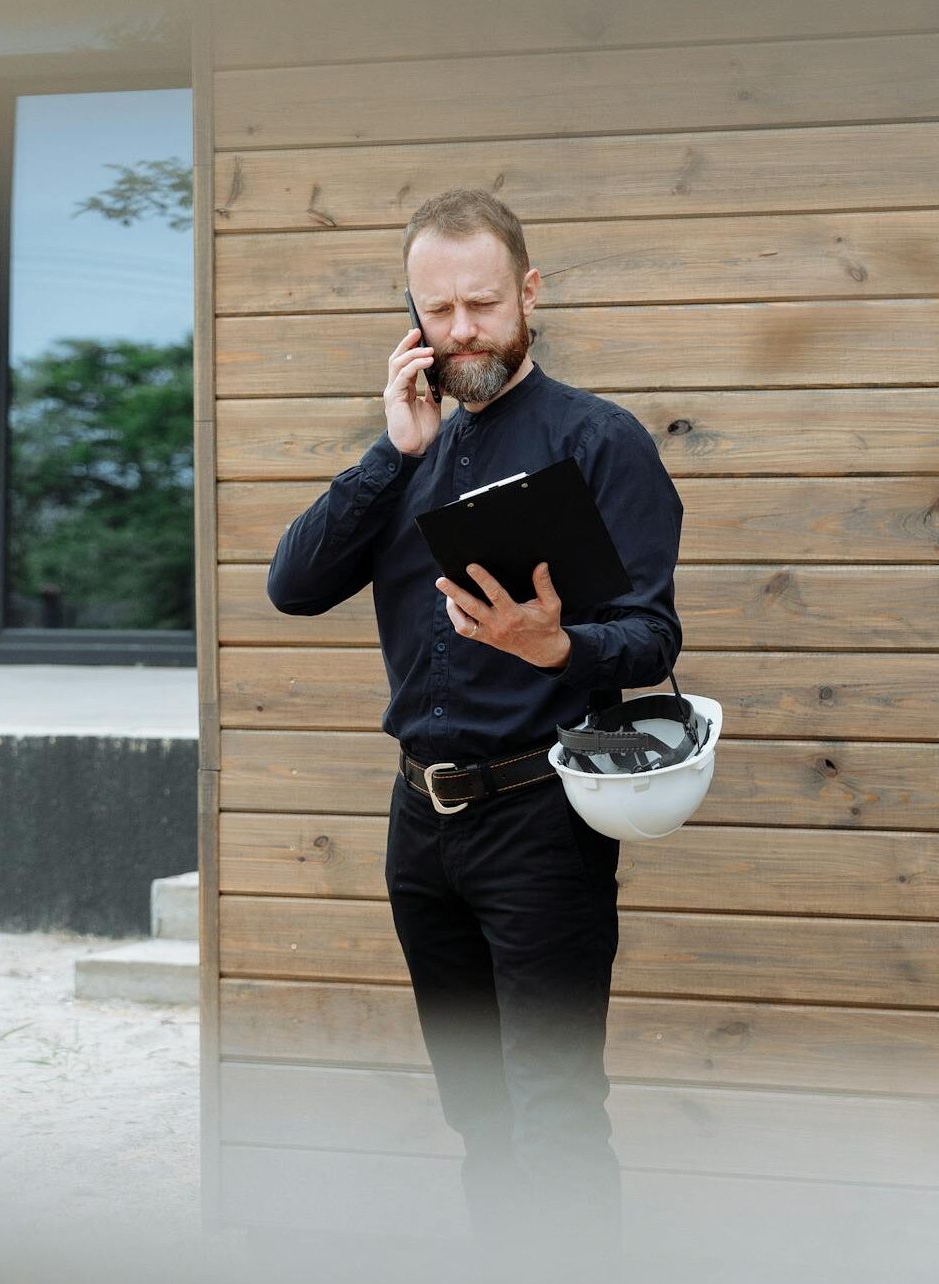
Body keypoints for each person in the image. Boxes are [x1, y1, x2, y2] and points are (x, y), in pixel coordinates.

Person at [266, 188, 683, 1272]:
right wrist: (387, 456)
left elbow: (648, 635)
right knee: (476, 1114)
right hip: (421, 824)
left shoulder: (598, 439)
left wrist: (556, 650)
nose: (461, 332)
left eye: (482, 305)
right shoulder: (405, 454)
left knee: (550, 1111)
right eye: (437, 309)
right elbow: (292, 587)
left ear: (528, 294)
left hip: (541, 818)